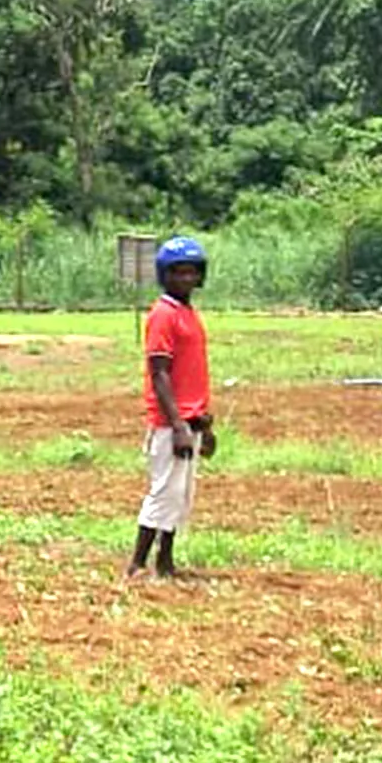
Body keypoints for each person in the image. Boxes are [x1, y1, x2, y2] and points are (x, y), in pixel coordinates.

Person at [129, 237, 214, 582]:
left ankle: (165, 561)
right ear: (165, 275)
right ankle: (137, 563)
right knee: (163, 492)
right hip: (170, 423)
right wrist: (178, 424)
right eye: (178, 272)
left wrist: (203, 425)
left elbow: (191, 372)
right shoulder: (163, 315)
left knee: (181, 497)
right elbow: (159, 372)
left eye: (192, 272)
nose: (185, 279)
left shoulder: (188, 314)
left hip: (191, 419)